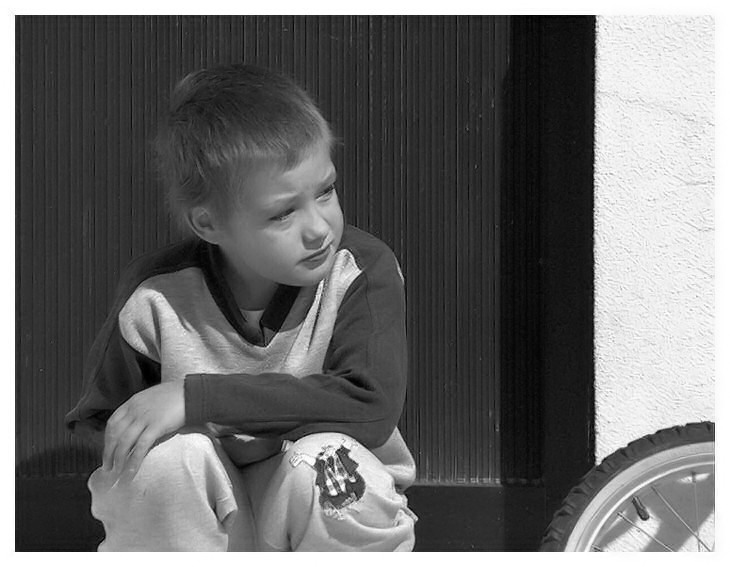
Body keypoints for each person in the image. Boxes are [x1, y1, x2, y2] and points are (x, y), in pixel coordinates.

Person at [64, 63, 417, 552]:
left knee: (330, 462)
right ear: (208, 223)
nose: (319, 228)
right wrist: (183, 452)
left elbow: (370, 404)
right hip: (207, 524)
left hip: (309, 510)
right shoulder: (156, 295)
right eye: (282, 212)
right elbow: (106, 423)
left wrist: (196, 399)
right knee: (158, 463)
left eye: (326, 191)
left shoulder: (360, 270)